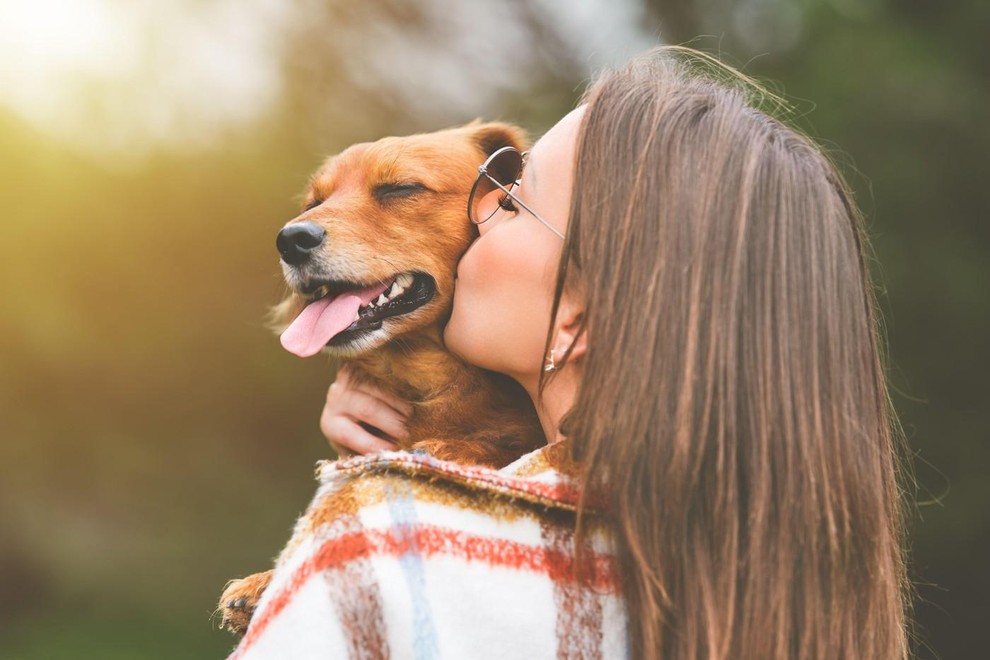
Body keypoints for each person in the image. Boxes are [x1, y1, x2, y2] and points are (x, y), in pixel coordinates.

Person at [231, 46, 910, 659]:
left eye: (514, 203)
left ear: (580, 318)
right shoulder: (766, 574)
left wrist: (365, 520)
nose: (484, 216)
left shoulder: (386, 546)